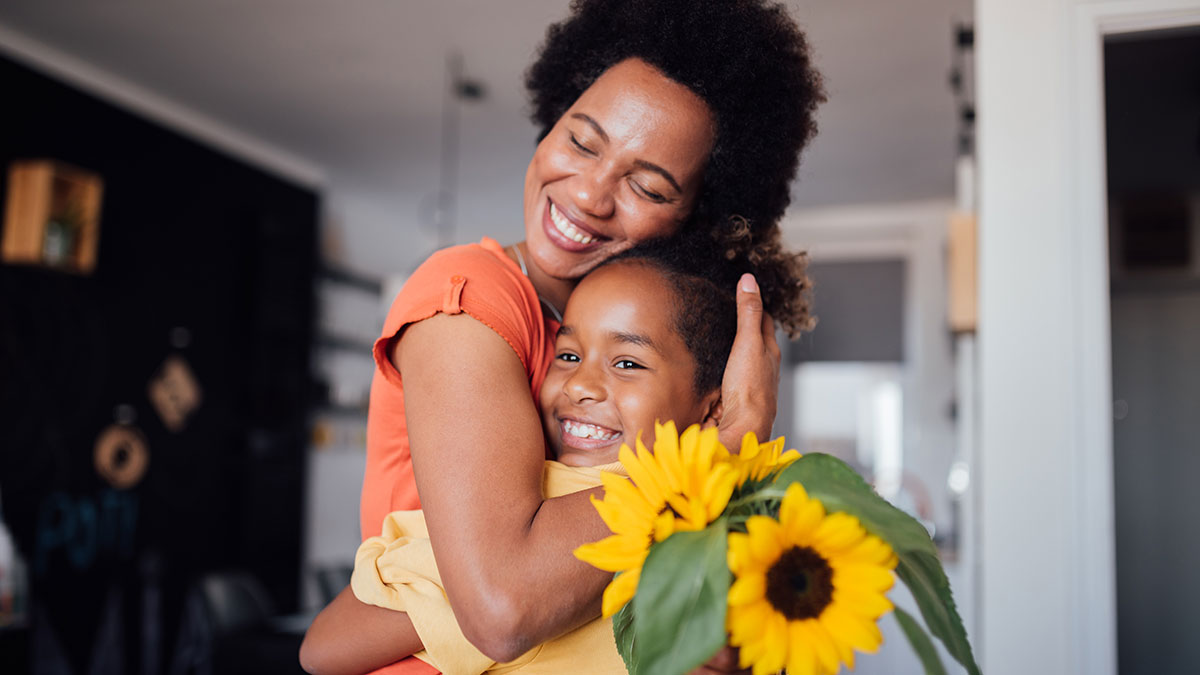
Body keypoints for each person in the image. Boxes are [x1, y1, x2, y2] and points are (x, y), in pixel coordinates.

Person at [300, 1, 824, 673]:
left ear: (699, 216)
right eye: (582, 140)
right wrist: (718, 448)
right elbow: (503, 605)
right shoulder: (471, 293)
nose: (589, 194)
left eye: (647, 184)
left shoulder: (619, 368)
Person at [350, 245, 744, 675]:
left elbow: (324, 647)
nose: (579, 385)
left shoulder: (546, 509)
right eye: (569, 356)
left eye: (627, 363)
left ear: (712, 409)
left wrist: (461, 604)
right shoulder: (519, 494)